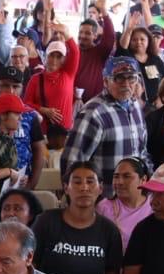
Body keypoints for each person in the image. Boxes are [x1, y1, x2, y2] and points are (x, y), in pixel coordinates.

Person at [31, 163, 123, 274]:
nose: (84, 187)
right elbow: (30, 266)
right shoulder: (46, 222)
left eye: (90, 181)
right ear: (66, 187)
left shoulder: (109, 231)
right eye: (77, 182)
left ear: (100, 188)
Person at [62, 57, 147, 185]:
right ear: (105, 81)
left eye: (131, 78)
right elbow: (72, 161)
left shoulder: (135, 106)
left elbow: (142, 151)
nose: (126, 83)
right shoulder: (93, 112)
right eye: (119, 78)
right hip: (104, 197)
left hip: (134, 196)